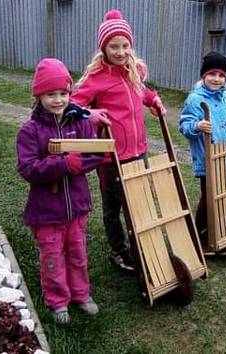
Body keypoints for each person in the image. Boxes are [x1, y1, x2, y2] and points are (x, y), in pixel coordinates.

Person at [72, 9, 167, 272]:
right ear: (103, 47)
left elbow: (142, 92)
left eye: (125, 45)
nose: (121, 51)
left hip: (138, 151)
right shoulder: (96, 79)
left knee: (138, 200)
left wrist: (153, 99)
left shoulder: (132, 71)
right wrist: (90, 114)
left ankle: (143, 243)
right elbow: (73, 107)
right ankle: (118, 249)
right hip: (111, 156)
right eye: (114, 46)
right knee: (113, 205)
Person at [16, 58, 104, 324]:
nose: (58, 100)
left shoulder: (81, 123)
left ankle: (81, 294)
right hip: (47, 211)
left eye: (63, 93)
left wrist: (77, 163)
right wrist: (62, 164)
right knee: (52, 257)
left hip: (76, 206)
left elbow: (95, 152)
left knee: (77, 253)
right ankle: (58, 300)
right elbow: (28, 168)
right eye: (50, 94)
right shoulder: (30, 131)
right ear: (38, 95)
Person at [178, 51, 226, 252]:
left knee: (222, 195)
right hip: (208, 158)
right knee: (209, 196)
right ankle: (200, 235)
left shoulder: (225, 97)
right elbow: (184, 125)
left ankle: (217, 231)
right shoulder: (196, 99)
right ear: (203, 75)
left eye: (221, 75)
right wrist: (197, 126)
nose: (216, 79)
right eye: (212, 74)